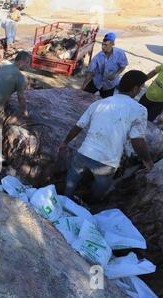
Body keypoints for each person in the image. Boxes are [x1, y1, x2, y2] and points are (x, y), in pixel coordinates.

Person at [60, 70, 154, 202]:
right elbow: (137, 140)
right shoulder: (139, 110)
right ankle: (87, 205)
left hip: (84, 153)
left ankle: (64, 200)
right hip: (106, 161)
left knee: (71, 180)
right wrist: (148, 161)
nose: (141, 90)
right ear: (135, 88)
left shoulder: (99, 103)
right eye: (141, 87)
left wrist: (65, 142)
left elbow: (78, 126)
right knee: (99, 190)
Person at [0, 51, 30, 130]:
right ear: (21, 62)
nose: (28, 65)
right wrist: (24, 111)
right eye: (27, 62)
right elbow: (21, 98)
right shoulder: (20, 77)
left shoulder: (3, 67)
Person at [82, 32, 128, 99]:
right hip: (97, 81)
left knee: (106, 102)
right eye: (102, 44)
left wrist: (115, 74)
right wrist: (83, 86)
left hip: (110, 85)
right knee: (84, 96)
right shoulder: (97, 57)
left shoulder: (120, 53)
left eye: (106, 45)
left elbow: (123, 66)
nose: (103, 47)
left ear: (112, 44)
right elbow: (90, 73)